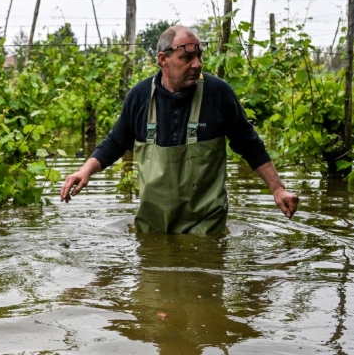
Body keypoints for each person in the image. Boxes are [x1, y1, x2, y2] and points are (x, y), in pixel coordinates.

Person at [60, 25, 299, 234]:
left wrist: (278, 189)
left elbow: (249, 144)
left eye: (199, 57)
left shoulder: (218, 94)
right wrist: (85, 171)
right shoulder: (140, 96)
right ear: (163, 59)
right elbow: (115, 142)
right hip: (153, 226)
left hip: (206, 227)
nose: (197, 64)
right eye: (187, 58)